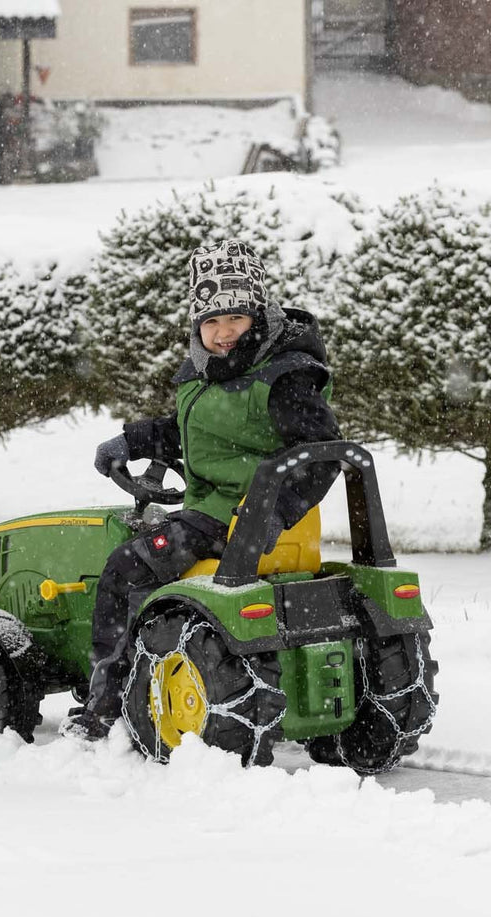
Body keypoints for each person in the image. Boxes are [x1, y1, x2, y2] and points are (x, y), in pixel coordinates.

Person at [65, 238, 340, 739]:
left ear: (258, 315)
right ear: (197, 326)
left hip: (229, 520)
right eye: (211, 322)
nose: (223, 332)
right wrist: (132, 439)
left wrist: (272, 512)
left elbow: (321, 453)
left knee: (125, 568)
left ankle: (104, 704)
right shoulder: (208, 375)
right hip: (237, 518)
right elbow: (193, 430)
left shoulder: (284, 378)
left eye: (234, 318)